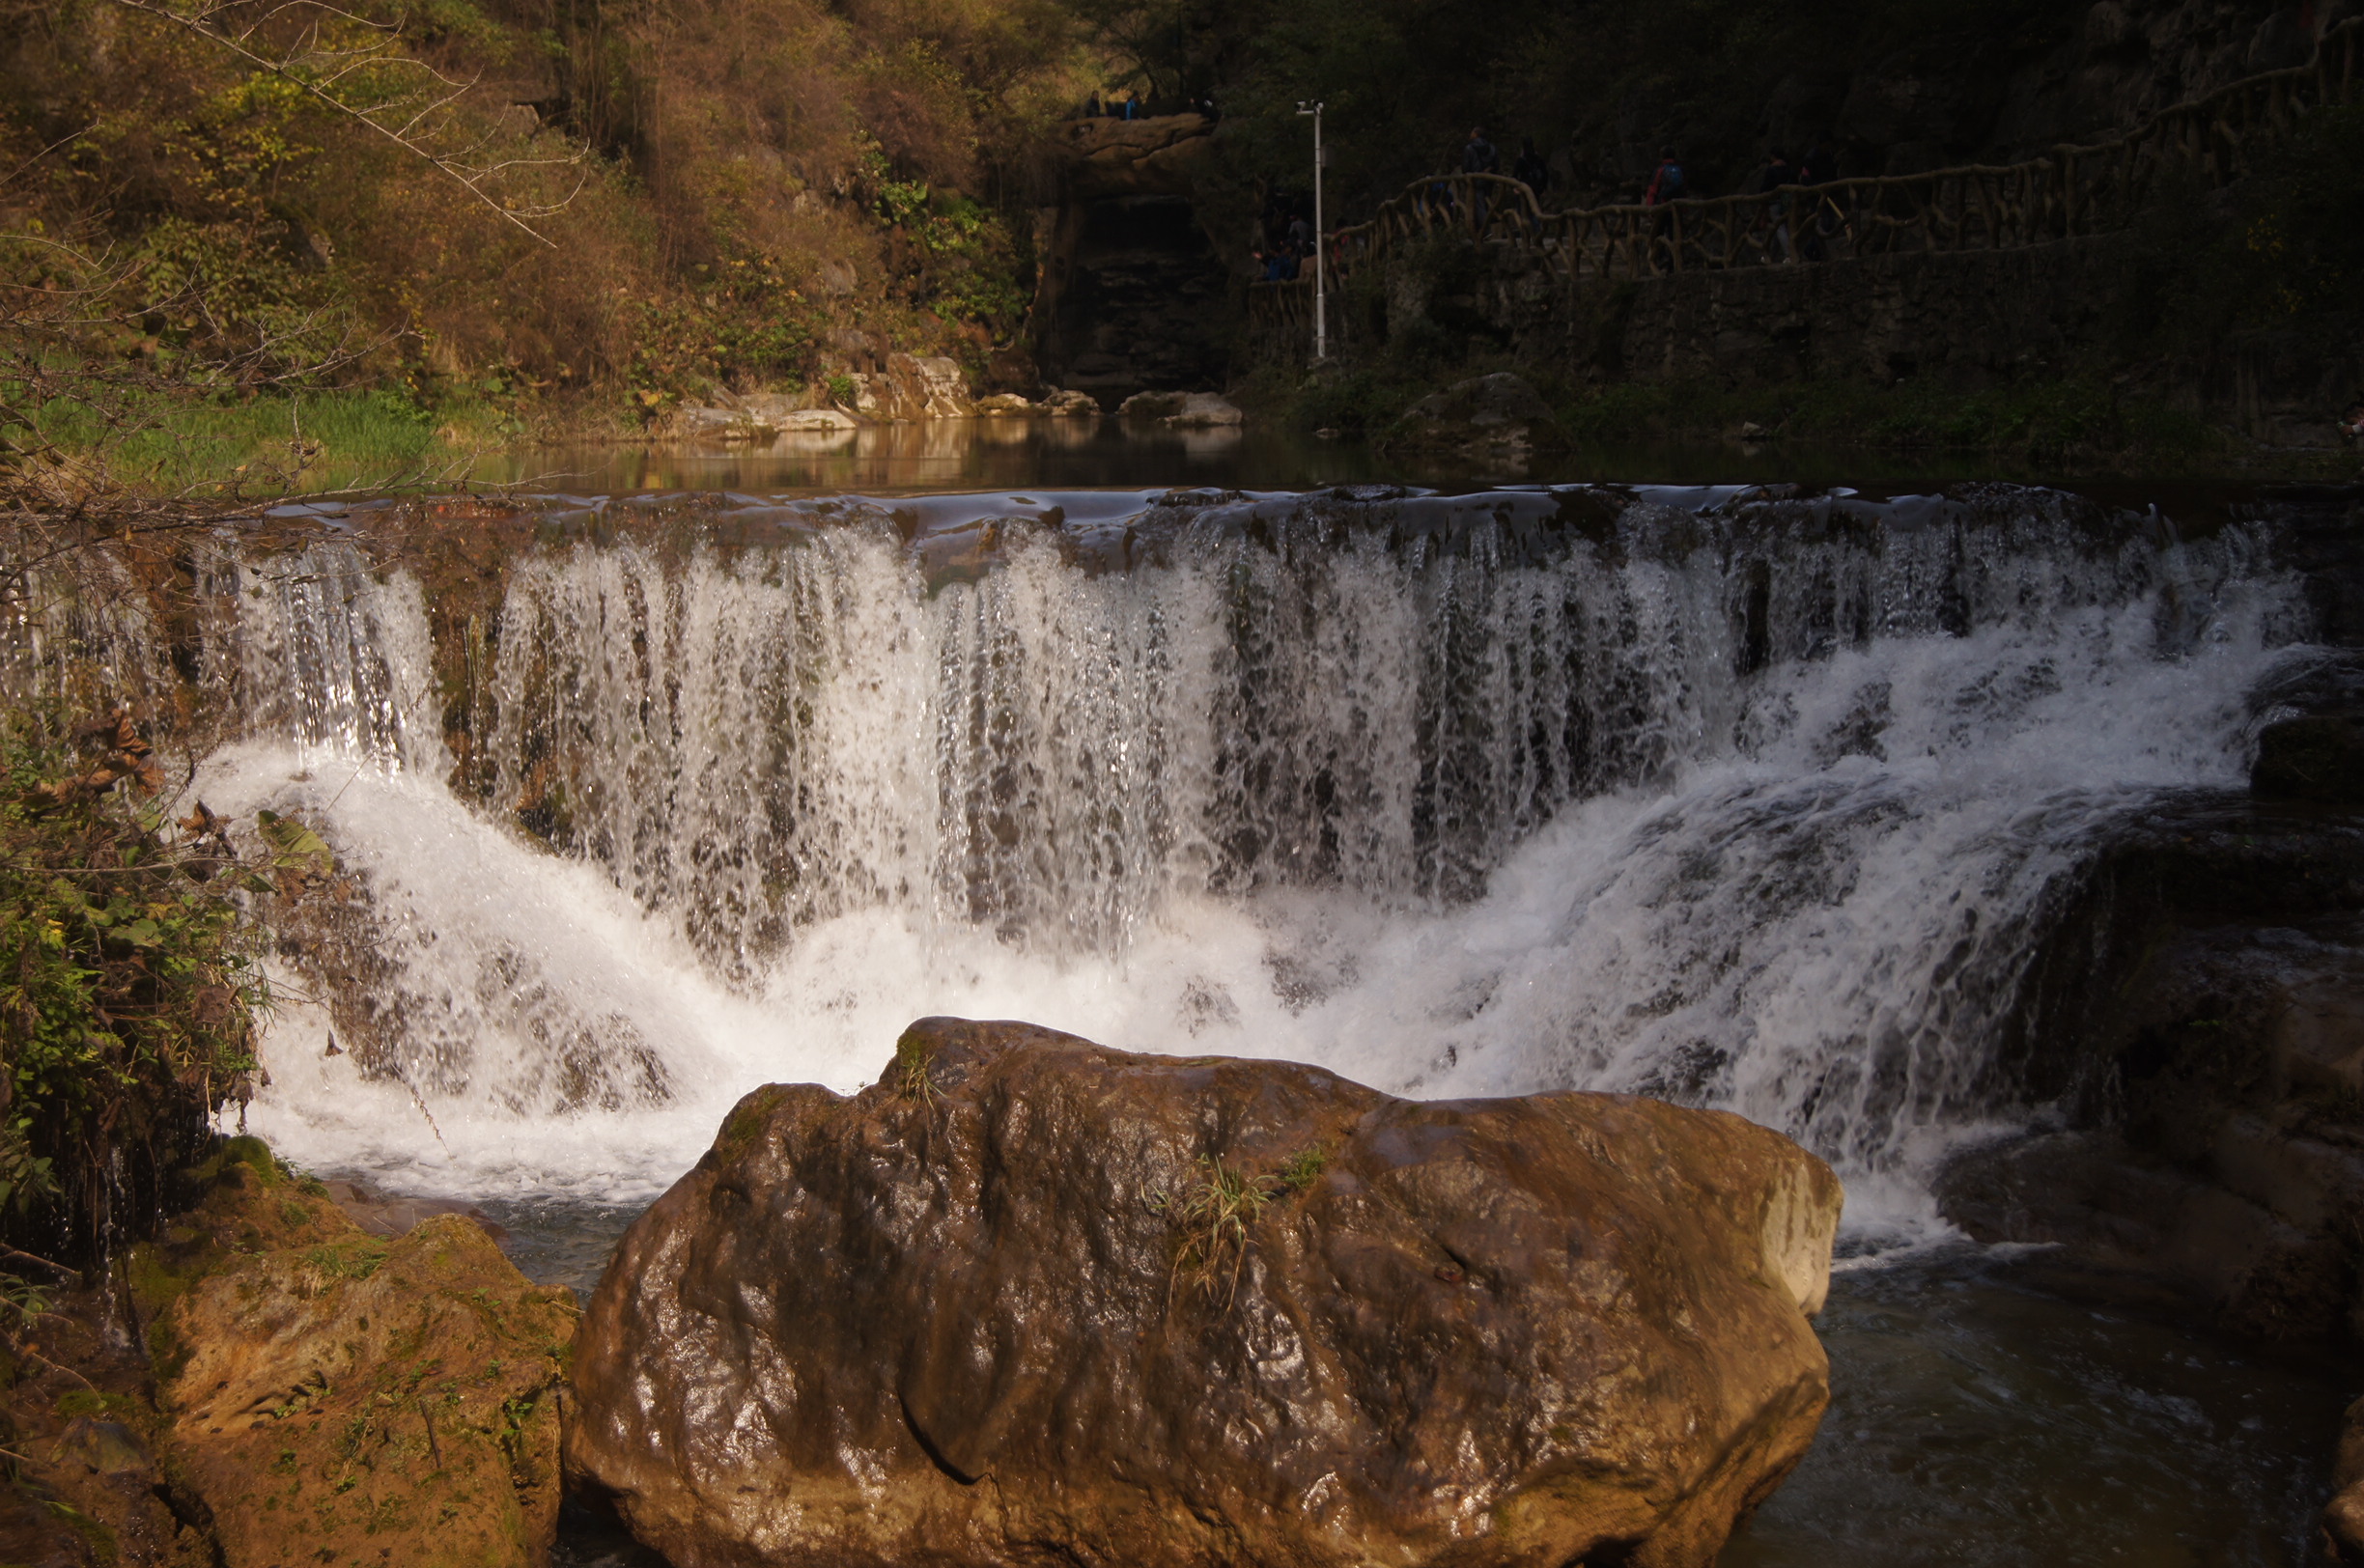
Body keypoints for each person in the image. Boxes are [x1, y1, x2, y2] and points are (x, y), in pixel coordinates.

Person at [1759, 150, 1797, 261]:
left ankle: (1789, 254)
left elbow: (1765, 188)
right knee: (1780, 226)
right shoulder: (1789, 169)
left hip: (1774, 201)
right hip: (1787, 200)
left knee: (1779, 227)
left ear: (1773, 157)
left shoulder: (1771, 170)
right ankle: (1771, 255)